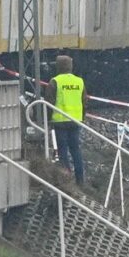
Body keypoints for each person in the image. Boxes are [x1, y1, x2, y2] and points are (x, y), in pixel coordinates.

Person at [44, 54, 86, 185]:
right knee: (75, 149)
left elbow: (49, 102)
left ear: (58, 67)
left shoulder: (55, 81)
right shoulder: (79, 82)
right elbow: (84, 101)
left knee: (62, 150)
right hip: (75, 120)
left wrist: (48, 119)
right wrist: (82, 117)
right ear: (70, 67)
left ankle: (66, 177)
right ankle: (80, 179)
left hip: (59, 121)